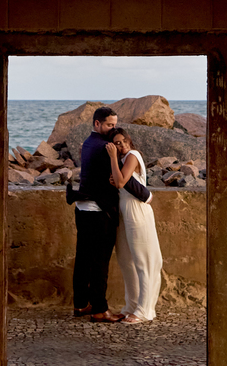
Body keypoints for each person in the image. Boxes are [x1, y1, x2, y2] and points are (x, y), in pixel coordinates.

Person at [70, 107, 125, 322]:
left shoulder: (87, 143)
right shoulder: (104, 147)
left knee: (83, 259)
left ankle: (81, 304)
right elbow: (116, 179)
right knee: (100, 261)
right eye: (109, 125)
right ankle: (100, 309)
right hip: (98, 211)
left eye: (114, 124)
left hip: (82, 209)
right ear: (97, 124)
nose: (113, 129)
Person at [105, 128, 163, 324]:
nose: (121, 146)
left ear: (129, 140)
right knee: (125, 260)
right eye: (116, 143)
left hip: (137, 211)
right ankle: (131, 306)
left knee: (143, 260)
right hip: (124, 212)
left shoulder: (132, 155)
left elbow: (121, 182)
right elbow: (119, 181)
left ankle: (145, 310)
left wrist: (113, 157)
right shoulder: (122, 160)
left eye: (122, 142)